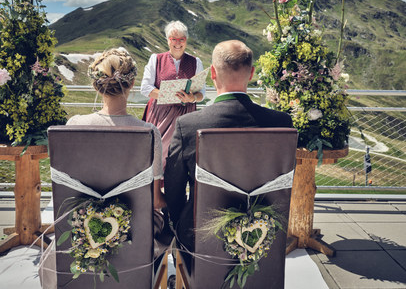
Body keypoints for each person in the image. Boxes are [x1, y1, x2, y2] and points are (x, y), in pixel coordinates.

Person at [164, 40, 293, 251]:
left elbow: (173, 190)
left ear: (212, 73)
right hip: (264, 235)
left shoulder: (188, 126)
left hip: (199, 237)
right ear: (251, 74)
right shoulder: (281, 122)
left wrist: (183, 225)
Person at [67, 47, 166, 210]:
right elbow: (155, 202)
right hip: (135, 228)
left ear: (95, 86)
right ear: (132, 83)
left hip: (84, 227)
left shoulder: (74, 125)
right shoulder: (149, 132)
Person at [140, 20, 206, 170]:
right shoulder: (155, 59)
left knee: (180, 158)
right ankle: (157, 189)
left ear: (186, 41)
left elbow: (202, 92)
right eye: (173, 39)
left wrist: (192, 98)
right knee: (157, 153)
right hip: (160, 114)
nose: (178, 43)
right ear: (168, 40)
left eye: (181, 39)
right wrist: (168, 94)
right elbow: (145, 88)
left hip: (186, 115)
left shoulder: (196, 62)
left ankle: (176, 191)